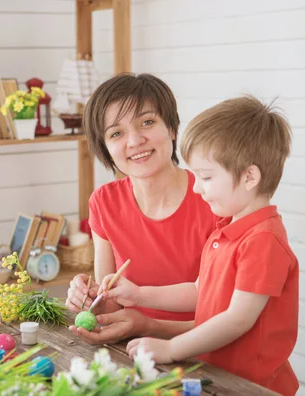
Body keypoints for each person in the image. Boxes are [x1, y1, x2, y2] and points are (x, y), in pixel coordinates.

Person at [98, 96, 300, 396]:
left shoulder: (263, 242)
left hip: (252, 388)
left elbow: (237, 319)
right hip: (214, 377)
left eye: (205, 177)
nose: (196, 187)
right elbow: (199, 290)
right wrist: (139, 294)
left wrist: (170, 348)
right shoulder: (227, 231)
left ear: (249, 177)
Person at [65, 73, 219, 343]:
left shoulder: (215, 198)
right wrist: (91, 296)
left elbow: (227, 316)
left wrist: (148, 326)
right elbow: (111, 304)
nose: (135, 141)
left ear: (171, 128)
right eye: (116, 133)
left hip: (213, 361)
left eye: (147, 122)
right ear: (106, 148)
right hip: (140, 355)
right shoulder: (104, 202)